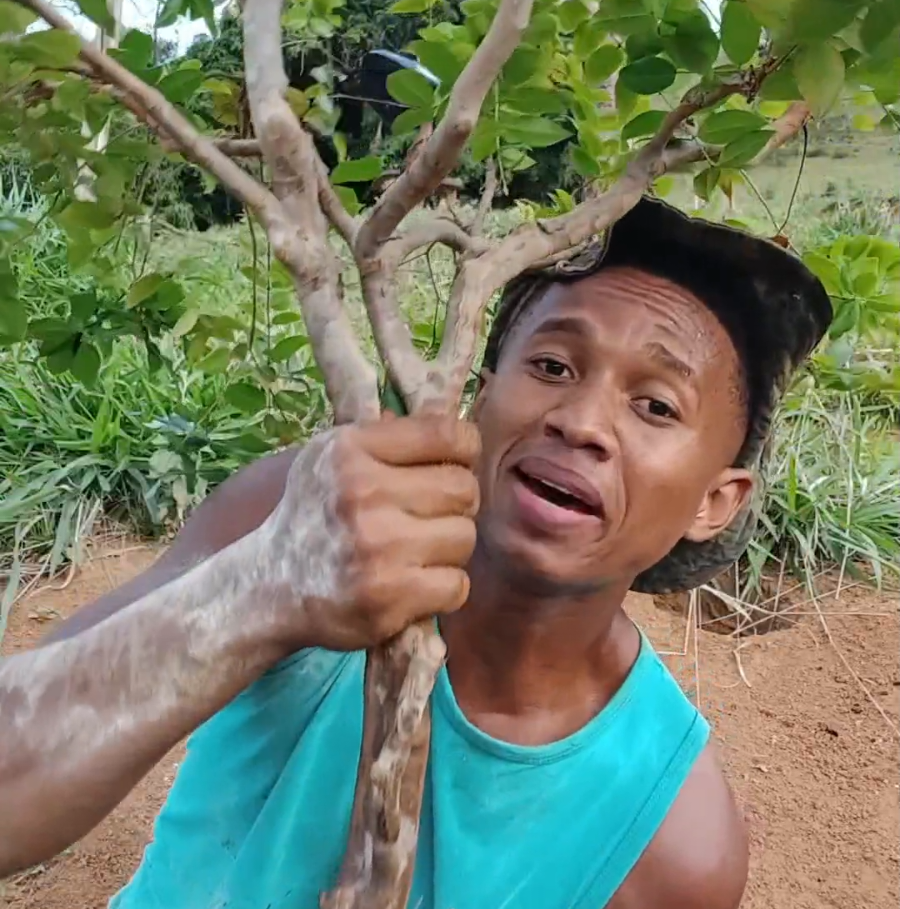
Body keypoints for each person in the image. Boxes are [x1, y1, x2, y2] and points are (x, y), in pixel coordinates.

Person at [0, 197, 832, 908]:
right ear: (477, 399)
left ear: (717, 501)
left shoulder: (673, 843)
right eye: (552, 364)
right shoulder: (307, 516)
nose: (580, 421)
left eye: (655, 405)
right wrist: (264, 587)